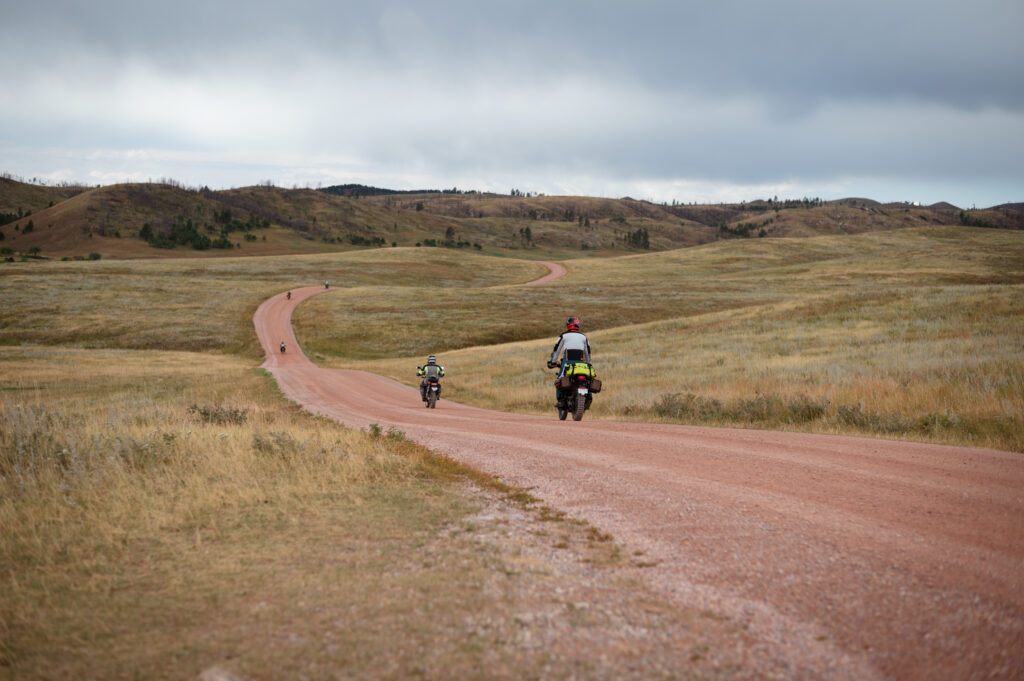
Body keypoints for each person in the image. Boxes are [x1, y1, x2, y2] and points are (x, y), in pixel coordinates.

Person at [546, 316, 591, 408]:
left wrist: (553, 362)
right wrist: (588, 363)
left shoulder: (563, 336)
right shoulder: (584, 337)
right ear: (577, 325)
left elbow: (556, 350)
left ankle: (561, 401)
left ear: (568, 325)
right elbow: (587, 353)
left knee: (560, 380)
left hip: (567, 364)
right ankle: (588, 397)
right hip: (582, 366)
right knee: (588, 380)